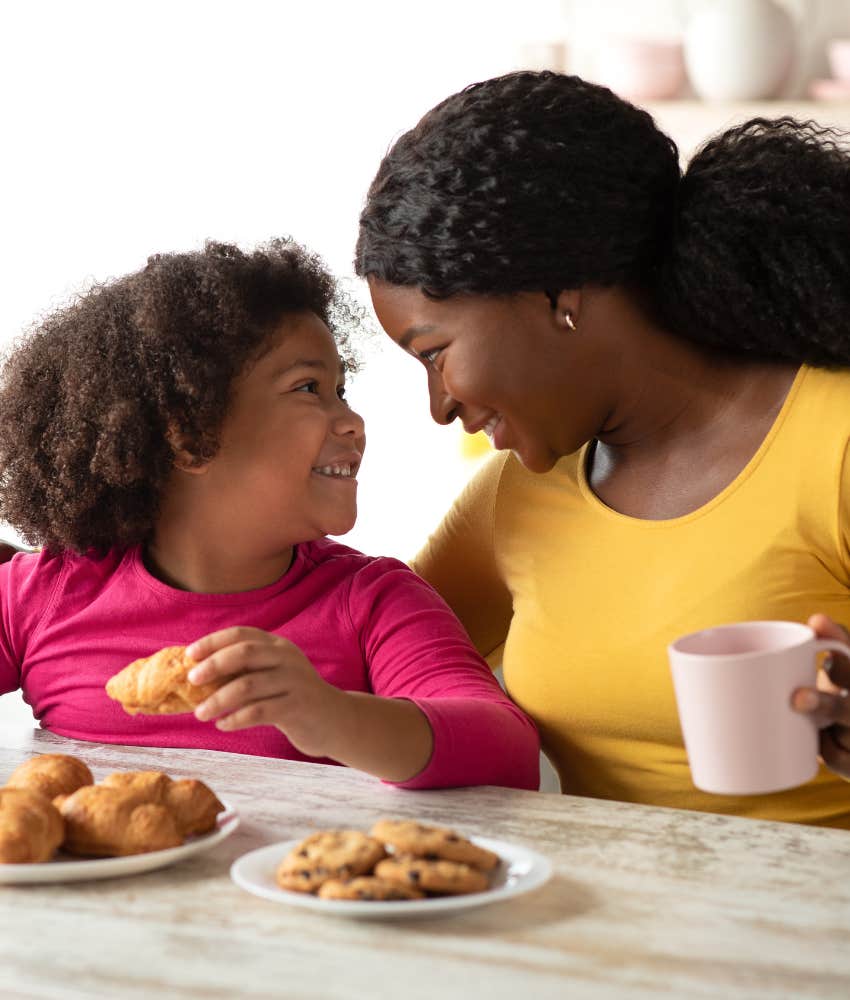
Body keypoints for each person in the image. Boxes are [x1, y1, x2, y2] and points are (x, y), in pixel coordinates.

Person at [355, 70, 850, 826]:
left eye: (435, 352)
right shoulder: (517, 498)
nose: (439, 404)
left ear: (558, 295)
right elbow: (353, 664)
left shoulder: (834, 442)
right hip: (591, 931)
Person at [0, 239, 539, 790]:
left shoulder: (372, 601)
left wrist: (331, 715)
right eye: (309, 388)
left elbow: (509, 751)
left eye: (340, 390)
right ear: (191, 437)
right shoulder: (43, 593)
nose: (352, 420)